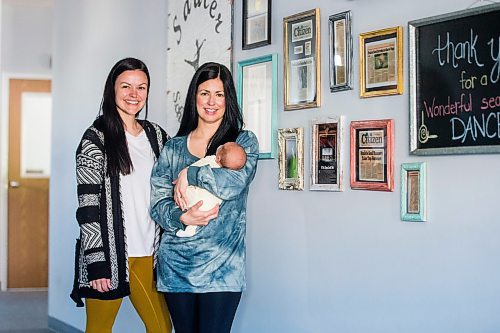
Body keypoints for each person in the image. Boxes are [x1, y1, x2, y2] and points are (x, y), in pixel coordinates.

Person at [150, 62, 259, 333]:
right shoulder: (173, 147)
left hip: (221, 268)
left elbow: (234, 183)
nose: (211, 102)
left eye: (219, 94)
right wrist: (180, 217)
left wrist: (191, 173)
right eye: (204, 93)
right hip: (176, 265)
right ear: (194, 98)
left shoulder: (242, 142)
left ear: (228, 99)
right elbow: (157, 202)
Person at [70, 57, 172, 333]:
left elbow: (173, 181)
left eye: (141, 87)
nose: (133, 94)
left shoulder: (157, 136)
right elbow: (88, 207)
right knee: (99, 329)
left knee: (161, 328)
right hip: (107, 255)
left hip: (148, 254)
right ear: (112, 89)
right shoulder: (95, 139)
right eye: (126, 86)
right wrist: (96, 263)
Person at [176, 141, 247, 238]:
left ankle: (187, 219)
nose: (221, 145)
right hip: (210, 207)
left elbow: (191, 169)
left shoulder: (209, 161)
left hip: (195, 201)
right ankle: (191, 229)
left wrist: (184, 174)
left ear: (218, 158)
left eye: (223, 146)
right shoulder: (227, 177)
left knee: (186, 195)